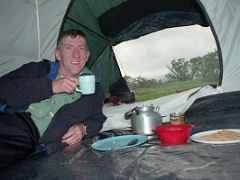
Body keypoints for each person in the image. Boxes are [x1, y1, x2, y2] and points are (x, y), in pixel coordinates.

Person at [0, 29, 106, 168]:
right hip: (15, 121)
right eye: (69, 48)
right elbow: (3, 88)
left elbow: (97, 118)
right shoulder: (39, 69)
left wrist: (84, 128)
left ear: (87, 55)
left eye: (81, 48)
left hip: (38, 139)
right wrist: (50, 87)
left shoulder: (95, 87)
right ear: (58, 54)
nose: (76, 54)